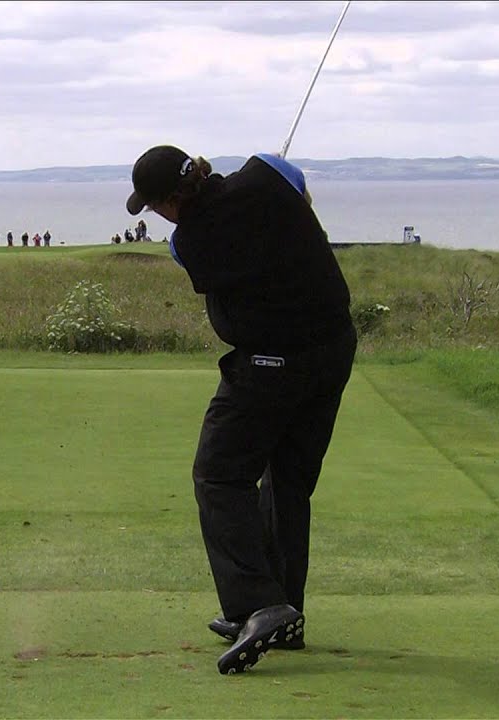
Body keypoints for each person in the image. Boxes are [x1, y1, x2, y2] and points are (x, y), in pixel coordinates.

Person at [125, 144, 356, 676]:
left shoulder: (191, 242)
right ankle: (285, 613)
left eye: (156, 206)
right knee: (288, 482)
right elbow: (298, 185)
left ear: (170, 201)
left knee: (218, 474)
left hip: (271, 362)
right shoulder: (265, 171)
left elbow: (186, 251)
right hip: (334, 350)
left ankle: (258, 604)